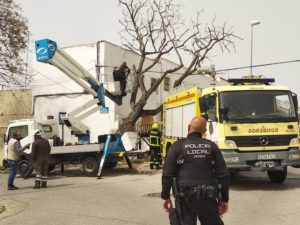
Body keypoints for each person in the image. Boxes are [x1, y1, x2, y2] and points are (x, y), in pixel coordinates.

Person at [161, 116, 229, 225]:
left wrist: (165, 196)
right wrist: (224, 200)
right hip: (208, 197)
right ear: (205, 131)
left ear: (188, 127)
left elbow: (167, 174)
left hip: (185, 198)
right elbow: (223, 175)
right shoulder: (212, 146)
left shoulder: (176, 147)